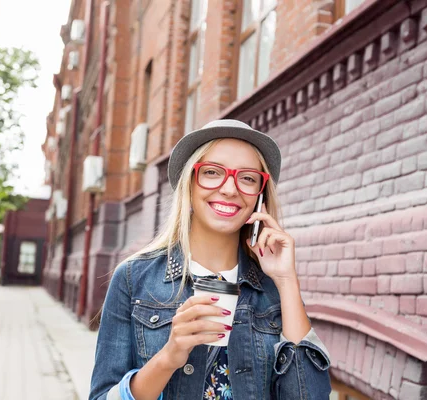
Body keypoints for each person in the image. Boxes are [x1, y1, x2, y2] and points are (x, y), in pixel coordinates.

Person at [89, 119, 331, 400]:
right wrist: (168, 357)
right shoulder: (134, 278)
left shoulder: (273, 287)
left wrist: (287, 281)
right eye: (213, 172)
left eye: (248, 178)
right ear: (189, 183)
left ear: (259, 197)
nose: (230, 189)